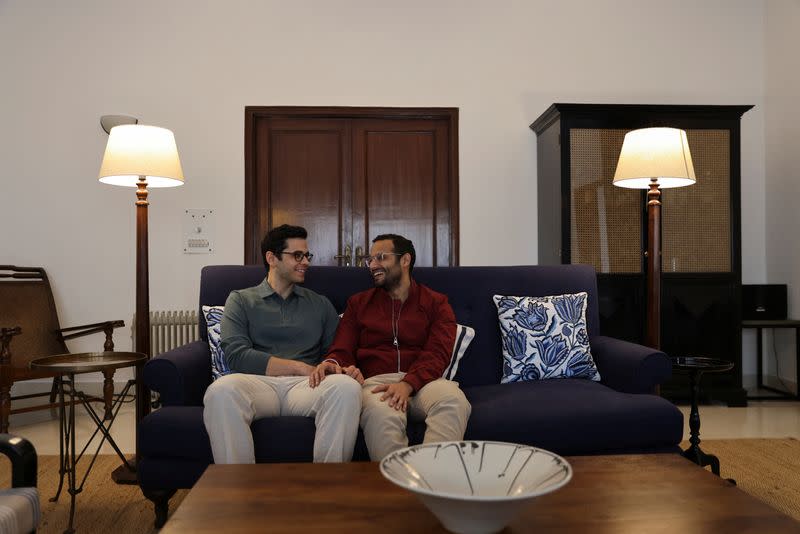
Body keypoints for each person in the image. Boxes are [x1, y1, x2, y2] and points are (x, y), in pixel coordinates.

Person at [203, 224, 361, 464]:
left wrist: (339, 366)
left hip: (307, 386)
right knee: (221, 391)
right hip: (258, 384)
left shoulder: (319, 304)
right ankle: (237, 491)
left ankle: (329, 488)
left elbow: (336, 352)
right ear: (272, 258)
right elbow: (237, 355)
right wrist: (299, 367)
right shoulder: (241, 299)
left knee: (345, 388)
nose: (306, 261)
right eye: (297, 255)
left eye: (307, 255)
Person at [323, 234, 472, 461]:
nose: (373, 265)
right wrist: (339, 366)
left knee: (453, 400)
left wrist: (408, 383)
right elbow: (341, 349)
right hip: (376, 385)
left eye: (381, 257)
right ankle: (397, 491)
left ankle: (434, 480)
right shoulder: (358, 303)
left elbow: (438, 353)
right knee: (381, 416)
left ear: (405, 260)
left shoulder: (436, 303)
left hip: (425, 383)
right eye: (370, 260)